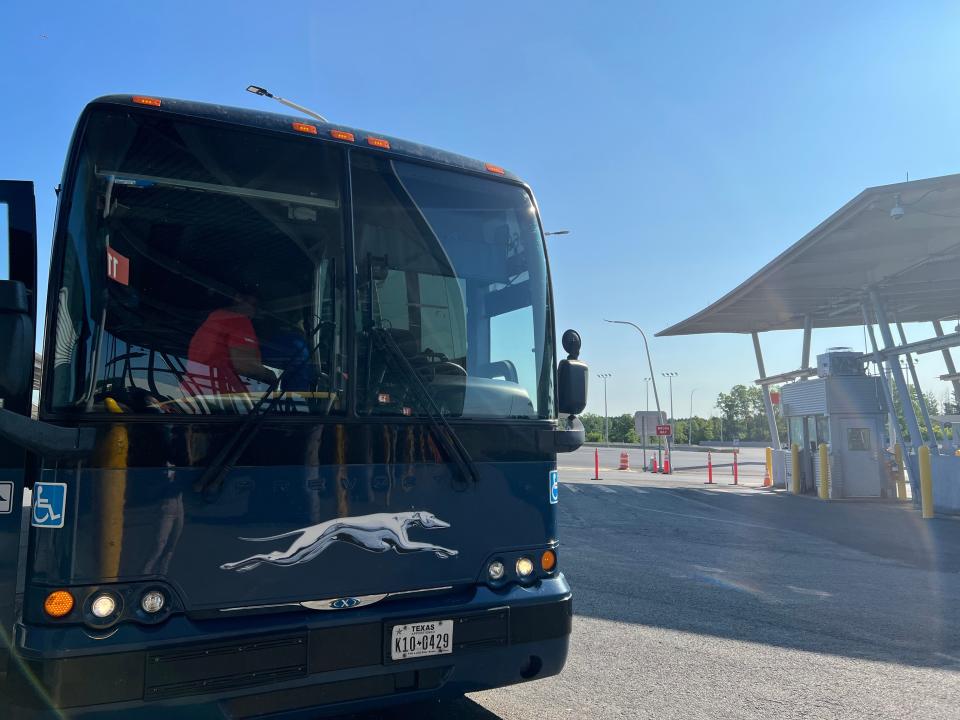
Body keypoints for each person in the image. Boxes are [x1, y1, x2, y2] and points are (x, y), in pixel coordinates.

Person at [184, 283, 276, 402]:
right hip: (220, 398)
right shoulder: (239, 321)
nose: (254, 311)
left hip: (193, 393)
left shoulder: (212, 321)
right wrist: (270, 375)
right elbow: (245, 366)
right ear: (238, 298)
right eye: (253, 305)